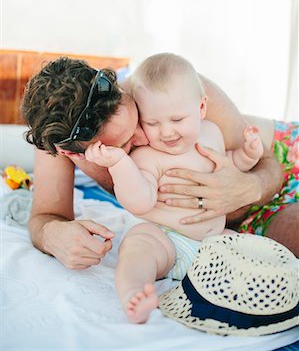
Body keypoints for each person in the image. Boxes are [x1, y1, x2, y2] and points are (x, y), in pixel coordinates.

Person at [20, 56, 297, 273]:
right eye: (125, 147)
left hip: (283, 161)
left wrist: (248, 187)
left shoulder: (169, 85)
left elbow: (269, 162)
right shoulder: (59, 139)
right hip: (228, 224)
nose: (142, 137)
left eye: (139, 122)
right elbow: (45, 217)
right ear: (72, 154)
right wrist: (53, 235)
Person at [84, 53, 264, 323]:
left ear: (201, 108)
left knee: (254, 249)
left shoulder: (212, 133)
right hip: (166, 239)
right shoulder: (146, 156)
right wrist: (120, 164)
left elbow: (231, 168)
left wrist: (249, 155)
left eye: (177, 120)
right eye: (152, 123)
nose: (166, 132)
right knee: (137, 247)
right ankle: (134, 294)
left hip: (213, 241)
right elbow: (140, 202)